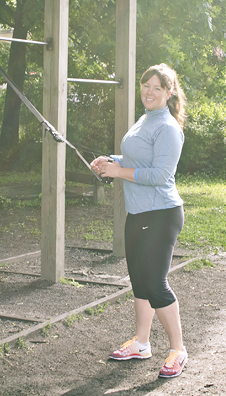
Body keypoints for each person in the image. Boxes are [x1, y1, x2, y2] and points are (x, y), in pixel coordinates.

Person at [90, 63, 188, 378]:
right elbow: (138, 159)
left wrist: (118, 172)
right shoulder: (146, 119)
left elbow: (160, 174)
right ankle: (141, 343)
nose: (148, 92)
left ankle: (178, 350)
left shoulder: (168, 127)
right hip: (138, 214)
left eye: (156, 88)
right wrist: (111, 161)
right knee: (139, 282)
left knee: (156, 283)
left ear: (169, 93)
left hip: (160, 214)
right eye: (145, 86)